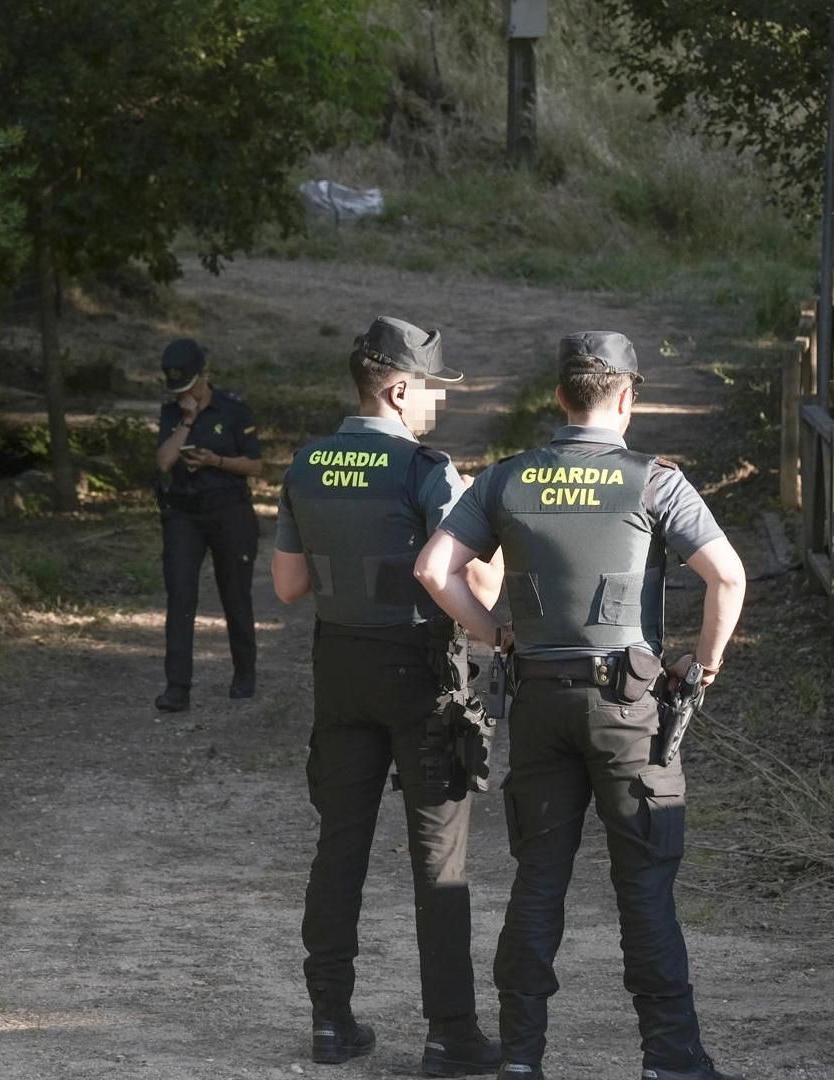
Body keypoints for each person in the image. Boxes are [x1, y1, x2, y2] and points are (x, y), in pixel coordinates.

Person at [415, 331, 748, 1080]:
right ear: (628, 398)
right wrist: (704, 666)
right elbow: (728, 578)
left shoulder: (505, 480)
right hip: (630, 706)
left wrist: (493, 631)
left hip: (536, 700)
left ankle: (522, 1060)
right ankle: (671, 1059)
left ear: (559, 398)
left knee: (539, 880)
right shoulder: (655, 483)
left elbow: (435, 568)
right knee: (645, 886)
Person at [271, 317, 504, 1076]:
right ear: (399, 388)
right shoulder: (426, 470)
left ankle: (330, 1023)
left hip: (338, 668)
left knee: (339, 847)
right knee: (440, 857)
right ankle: (449, 1034)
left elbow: (289, 585)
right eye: (432, 387)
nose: (435, 402)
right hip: (419, 672)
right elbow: (467, 581)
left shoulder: (305, 465)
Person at [154, 338, 263, 712]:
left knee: (235, 594)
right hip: (184, 514)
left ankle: (244, 673)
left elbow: (255, 466)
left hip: (229, 511)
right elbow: (165, 461)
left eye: (191, 386)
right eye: (179, 389)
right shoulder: (172, 413)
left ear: (206, 375)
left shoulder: (233, 410)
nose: (187, 393)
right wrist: (187, 421)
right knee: (180, 596)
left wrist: (216, 461)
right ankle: (177, 687)